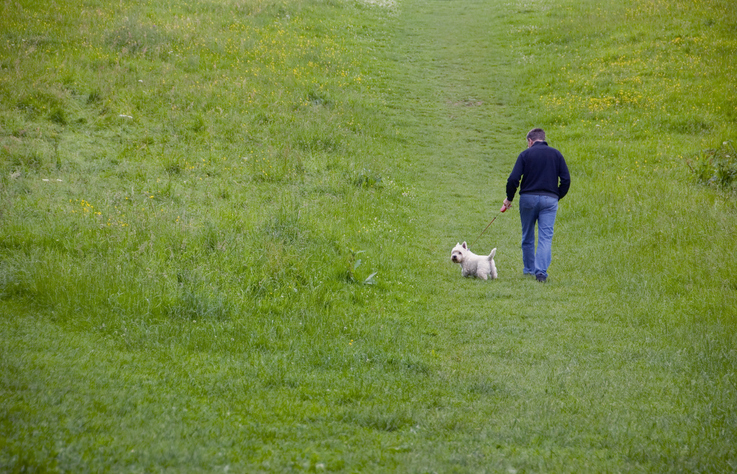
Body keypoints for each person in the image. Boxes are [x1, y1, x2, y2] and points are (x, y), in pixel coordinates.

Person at [500, 128, 570, 283]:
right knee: (546, 237)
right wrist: (557, 196)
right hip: (550, 199)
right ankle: (541, 273)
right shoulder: (556, 154)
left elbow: (513, 179)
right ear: (543, 139)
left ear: (530, 141)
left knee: (528, 235)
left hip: (528, 198)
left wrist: (509, 198)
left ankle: (529, 270)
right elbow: (566, 180)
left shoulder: (526, 154)